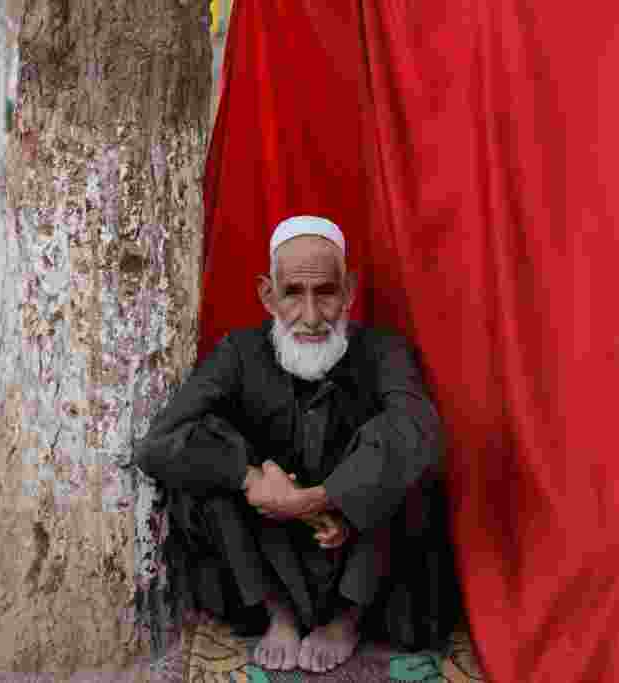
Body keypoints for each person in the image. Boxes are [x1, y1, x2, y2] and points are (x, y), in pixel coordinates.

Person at [133, 215, 444, 674]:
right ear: (268, 295)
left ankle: (346, 621)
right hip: (265, 549)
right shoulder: (238, 353)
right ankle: (276, 614)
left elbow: (420, 429)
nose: (313, 316)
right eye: (293, 294)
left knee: (400, 448)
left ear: (350, 291)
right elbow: (157, 444)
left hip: (357, 546)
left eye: (327, 293)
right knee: (211, 454)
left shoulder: (383, 351)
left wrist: (326, 499)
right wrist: (251, 476)